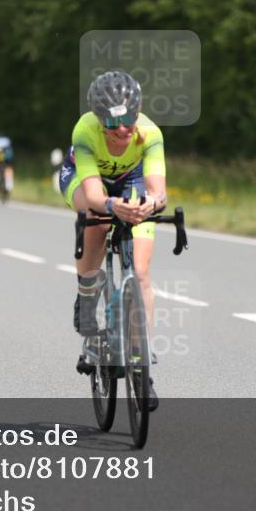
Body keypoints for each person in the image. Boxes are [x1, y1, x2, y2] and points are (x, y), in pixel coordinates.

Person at [59, 70, 167, 411]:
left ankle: (141, 360)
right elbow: (93, 194)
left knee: (141, 271)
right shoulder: (85, 130)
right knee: (99, 219)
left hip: (131, 179)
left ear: (139, 110)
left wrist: (150, 205)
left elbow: (158, 190)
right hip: (87, 180)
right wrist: (111, 205)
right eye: (112, 122)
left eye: (128, 119)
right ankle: (86, 297)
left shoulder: (150, 133)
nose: (122, 129)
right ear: (98, 118)